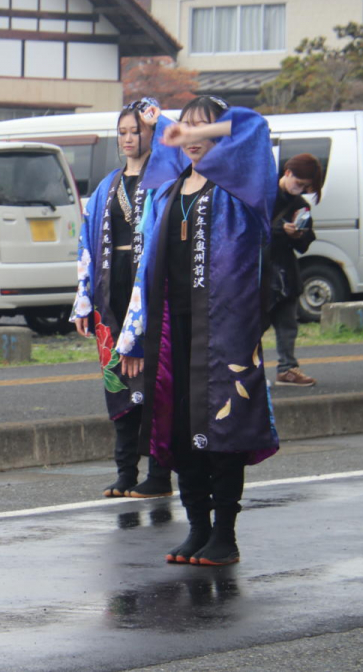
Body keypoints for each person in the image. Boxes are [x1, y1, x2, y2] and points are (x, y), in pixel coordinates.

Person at [118, 95, 279, 567]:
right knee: (180, 431)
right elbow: (146, 267)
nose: (189, 137)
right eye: (184, 128)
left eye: (202, 128)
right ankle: (198, 529)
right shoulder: (168, 191)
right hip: (174, 333)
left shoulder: (243, 187)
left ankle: (225, 534)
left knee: (225, 429)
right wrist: (136, 336)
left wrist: (182, 128)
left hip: (226, 331)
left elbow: (255, 126)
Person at [73, 98, 172, 499]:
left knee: (155, 386)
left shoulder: (165, 178)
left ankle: (160, 475)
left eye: (138, 131)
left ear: (151, 134)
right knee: (118, 384)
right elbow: (86, 240)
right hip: (111, 297)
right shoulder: (107, 185)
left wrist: (159, 118)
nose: (129, 138)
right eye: (123, 132)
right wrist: (83, 299)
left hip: (149, 293)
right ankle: (125, 471)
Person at [265, 155, 324, 387]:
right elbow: (249, 229)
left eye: (304, 186)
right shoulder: (263, 194)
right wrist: (280, 229)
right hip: (258, 270)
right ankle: (247, 372)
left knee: (288, 324)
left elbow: (304, 244)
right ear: (287, 173)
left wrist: (301, 234)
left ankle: (287, 369)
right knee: (254, 326)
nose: (299, 189)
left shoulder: (301, 205)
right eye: (298, 183)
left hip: (286, 271)